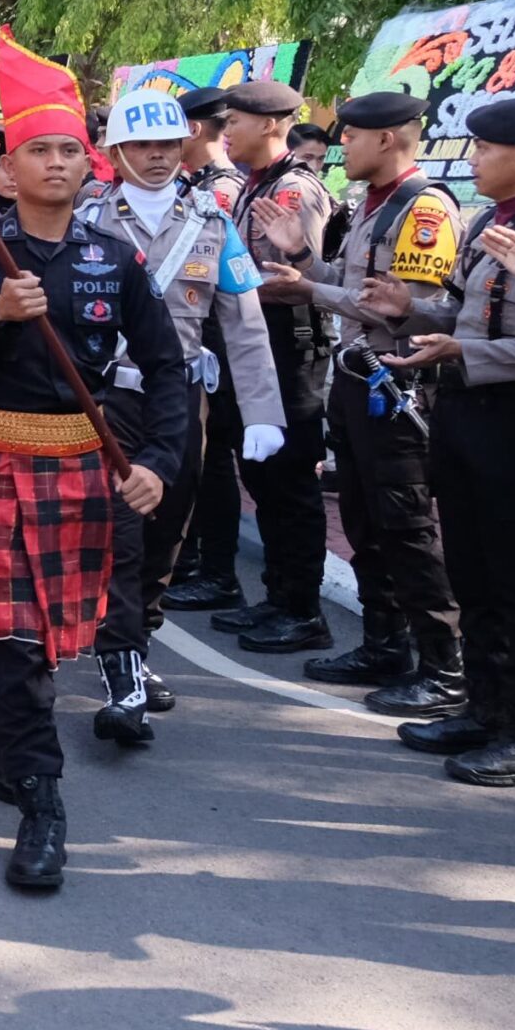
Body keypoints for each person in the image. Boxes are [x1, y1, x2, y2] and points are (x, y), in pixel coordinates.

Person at [0, 45, 188, 892]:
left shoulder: (115, 259)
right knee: (17, 641)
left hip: (82, 463)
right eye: (40, 150)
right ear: (5, 172)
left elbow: (168, 365)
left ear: (88, 164)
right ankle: (44, 802)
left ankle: (5, 741)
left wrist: (156, 460)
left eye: (71, 150)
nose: (58, 163)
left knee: (48, 642)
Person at [359, 98, 515, 789]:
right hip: (466, 413)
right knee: (471, 570)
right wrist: (410, 310)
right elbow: (466, 311)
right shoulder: (487, 225)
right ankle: (484, 710)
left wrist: (464, 352)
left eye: (482, 149)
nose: (471, 161)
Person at [80, 88, 285, 740]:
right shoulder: (88, 220)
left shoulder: (212, 225)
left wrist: (262, 413)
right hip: (108, 397)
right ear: (116, 152)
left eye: (167, 144)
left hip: (180, 403)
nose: (158, 157)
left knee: (167, 534)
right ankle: (122, 681)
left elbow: (245, 325)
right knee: (121, 534)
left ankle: (136, 646)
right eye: (142, 145)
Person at [254, 91, 463, 708]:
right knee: (365, 522)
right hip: (355, 381)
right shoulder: (375, 205)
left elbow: (398, 313)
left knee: (406, 527)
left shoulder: (423, 208)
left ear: (390, 138)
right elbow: (347, 287)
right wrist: (300, 259)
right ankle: (384, 644)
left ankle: (443, 667)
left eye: (353, 135)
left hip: (396, 386)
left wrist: (310, 291)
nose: (341, 143)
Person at [185, 78, 334, 656]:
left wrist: (221, 291)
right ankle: (277, 596)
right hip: (252, 347)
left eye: (239, 122)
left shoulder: (294, 189)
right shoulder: (254, 186)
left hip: (287, 350)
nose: (231, 132)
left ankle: (302, 608)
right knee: (263, 479)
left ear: (271, 125)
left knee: (290, 480)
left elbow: (298, 281)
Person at [168, 86, 249, 603]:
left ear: (192, 130)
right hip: (197, 340)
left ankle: (218, 573)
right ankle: (193, 556)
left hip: (216, 337)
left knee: (213, 461)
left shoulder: (220, 192)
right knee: (193, 459)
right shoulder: (196, 183)